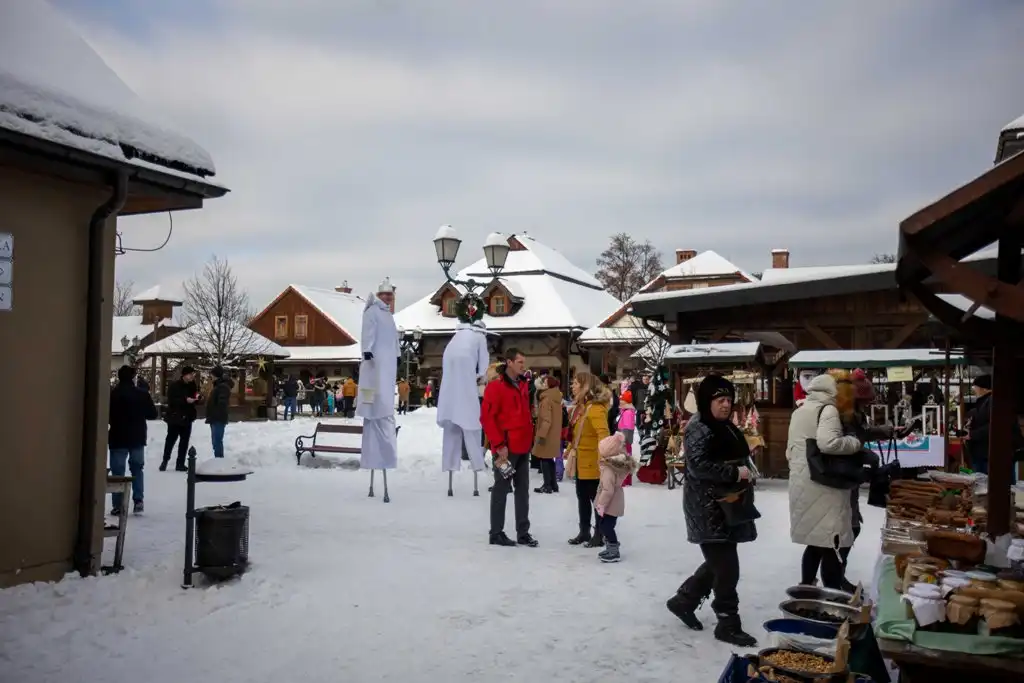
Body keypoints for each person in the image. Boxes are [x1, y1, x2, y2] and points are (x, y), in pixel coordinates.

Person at [666, 374, 758, 647]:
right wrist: (734, 472)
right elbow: (697, 466)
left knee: (720, 562)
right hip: (706, 507)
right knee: (728, 568)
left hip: (727, 505)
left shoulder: (724, 426)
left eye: (729, 399)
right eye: (720, 400)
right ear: (708, 402)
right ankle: (728, 623)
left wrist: (746, 470)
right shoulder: (699, 427)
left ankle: (684, 601)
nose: (726, 405)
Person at [787, 372, 862, 590]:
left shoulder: (800, 411)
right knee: (832, 541)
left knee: (815, 540)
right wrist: (854, 443)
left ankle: (806, 587)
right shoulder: (828, 409)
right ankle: (832, 593)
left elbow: (790, 450)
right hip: (824, 485)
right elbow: (829, 443)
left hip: (804, 482)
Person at [481, 348, 537, 547]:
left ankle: (523, 532)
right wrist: (498, 445)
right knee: (501, 489)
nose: (523, 365)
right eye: (520, 362)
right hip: (506, 448)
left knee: (523, 490)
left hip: (522, 446)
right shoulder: (496, 387)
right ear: (509, 362)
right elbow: (487, 418)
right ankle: (496, 532)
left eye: (524, 361)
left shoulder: (523, 385)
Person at [437, 315, 490, 491]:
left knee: (451, 431)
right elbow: (483, 365)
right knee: (472, 427)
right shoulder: (479, 337)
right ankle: (477, 465)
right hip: (466, 390)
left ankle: (450, 467)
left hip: (449, 392)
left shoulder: (455, 338)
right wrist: (480, 377)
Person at [357, 278, 401, 479]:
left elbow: (393, 339)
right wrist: (367, 350)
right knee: (373, 402)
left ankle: (384, 452)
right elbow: (368, 332)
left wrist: (398, 355)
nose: (387, 298)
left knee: (383, 406)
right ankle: (373, 454)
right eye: (384, 295)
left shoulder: (389, 316)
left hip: (387, 365)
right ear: (379, 295)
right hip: (374, 365)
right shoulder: (373, 311)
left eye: (390, 295)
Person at [567, 372, 611, 548]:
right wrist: (570, 449)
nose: (573, 386)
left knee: (596, 501)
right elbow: (578, 434)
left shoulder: (595, 408)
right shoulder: (584, 407)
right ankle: (584, 531)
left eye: (576, 383)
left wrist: (602, 460)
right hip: (581, 463)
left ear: (585, 386)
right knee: (582, 498)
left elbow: (603, 435)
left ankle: (600, 534)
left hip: (592, 463)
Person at [108, 364, 157, 514]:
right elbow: (152, 414)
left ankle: (118, 505)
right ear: (133, 377)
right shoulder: (142, 394)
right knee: (137, 469)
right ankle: (138, 500)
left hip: (118, 437)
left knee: (118, 473)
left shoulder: (112, 395)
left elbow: (106, 415)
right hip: (137, 436)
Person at [594, 432, 638, 563]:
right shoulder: (614, 466)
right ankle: (611, 547)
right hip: (615, 502)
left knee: (606, 527)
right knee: (606, 526)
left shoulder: (608, 469)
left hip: (610, 504)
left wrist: (601, 505)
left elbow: (607, 490)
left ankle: (614, 550)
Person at [161, 365, 199, 472]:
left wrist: (198, 398)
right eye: (191, 374)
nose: (192, 376)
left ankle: (180, 463)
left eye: (193, 374)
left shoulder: (192, 385)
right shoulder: (175, 386)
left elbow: (195, 396)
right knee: (171, 440)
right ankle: (165, 461)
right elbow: (172, 400)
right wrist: (185, 400)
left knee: (184, 441)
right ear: (185, 375)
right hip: (175, 417)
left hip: (187, 417)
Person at [533, 375, 563, 494]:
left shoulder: (546, 399)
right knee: (550, 458)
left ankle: (547, 485)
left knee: (544, 458)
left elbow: (546, 420)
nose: (542, 384)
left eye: (545, 383)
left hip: (546, 433)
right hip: (554, 433)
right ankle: (553, 484)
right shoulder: (556, 398)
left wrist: (541, 435)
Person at [205, 365, 233, 458]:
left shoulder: (222, 387)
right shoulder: (217, 386)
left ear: (215, 375)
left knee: (217, 441)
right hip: (215, 417)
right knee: (215, 441)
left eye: (212, 375)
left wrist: (215, 411)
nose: (211, 377)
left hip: (218, 417)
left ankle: (219, 461)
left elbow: (222, 402)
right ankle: (218, 459)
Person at [618, 389, 636, 487]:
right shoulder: (625, 411)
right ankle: (627, 479)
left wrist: (624, 441)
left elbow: (628, 428)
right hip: (625, 438)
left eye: (622, 400)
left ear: (626, 401)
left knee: (625, 459)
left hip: (625, 440)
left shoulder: (628, 412)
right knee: (626, 459)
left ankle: (625, 480)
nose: (620, 401)